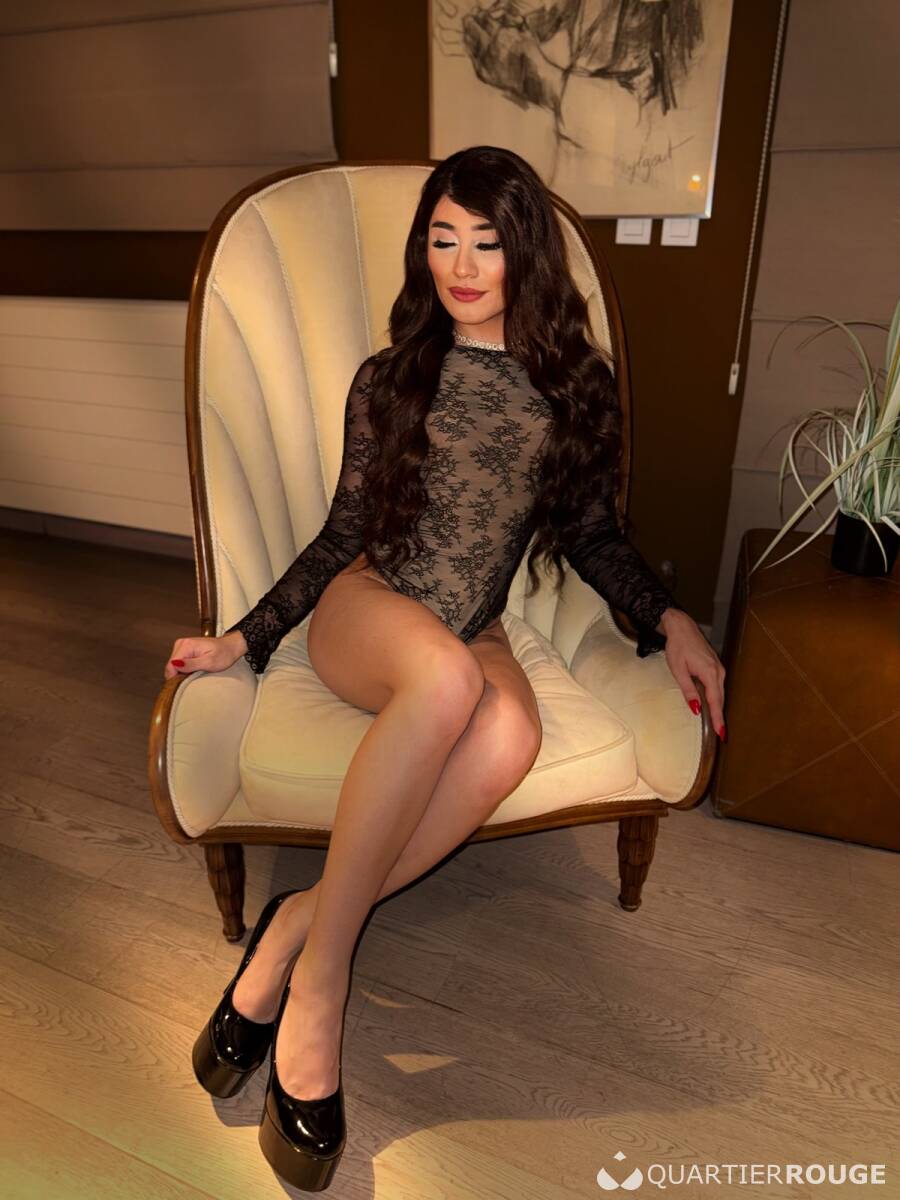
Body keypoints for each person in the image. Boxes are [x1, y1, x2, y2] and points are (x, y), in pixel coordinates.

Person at [168, 144, 727, 1190]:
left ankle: (297, 923)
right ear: (422, 249)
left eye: (487, 242)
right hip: (366, 607)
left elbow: (591, 535)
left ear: (527, 253)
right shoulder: (392, 378)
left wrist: (673, 618)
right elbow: (341, 534)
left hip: (472, 627)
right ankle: (323, 985)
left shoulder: (576, 389)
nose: (462, 265)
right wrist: (245, 636)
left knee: (507, 727)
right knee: (445, 682)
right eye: (442, 239)